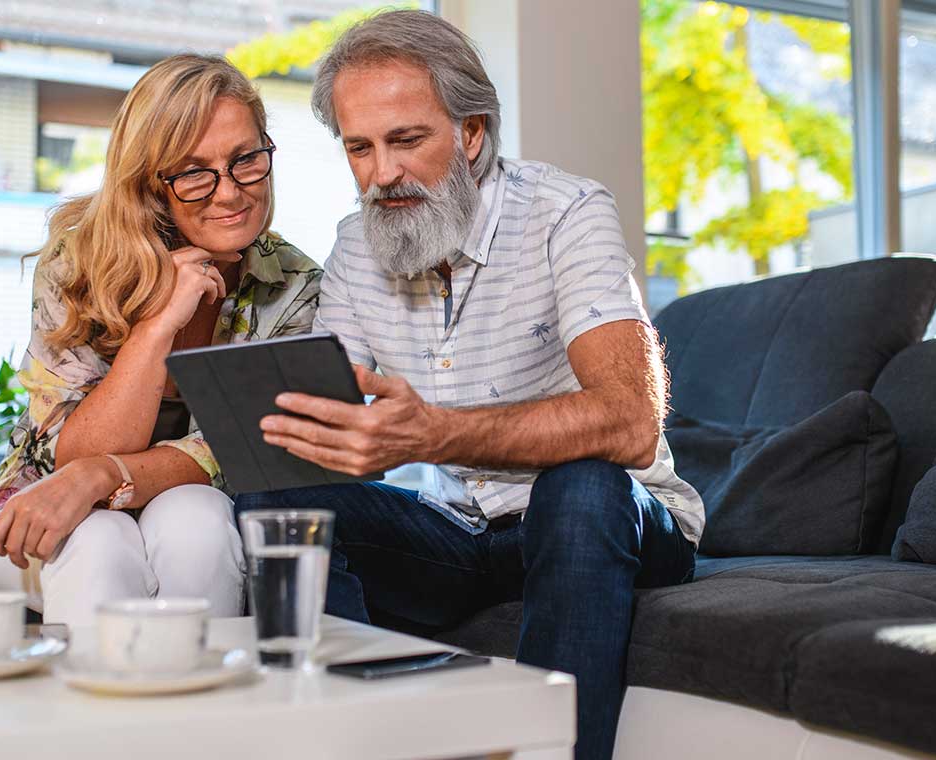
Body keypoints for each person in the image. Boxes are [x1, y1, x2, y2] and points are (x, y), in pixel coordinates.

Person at [234, 11, 704, 760]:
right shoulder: (356, 246)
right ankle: (354, 739)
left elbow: (630, 421)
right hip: (465, 532)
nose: (381, 173)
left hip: (609, 519)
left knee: (579, 485)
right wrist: (321, 432)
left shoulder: (566, 212)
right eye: (359, 147)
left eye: (406, 140)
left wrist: (437, 431)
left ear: (472, 132)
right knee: (277, 496)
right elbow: (344, 417)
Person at [0, 54, 322, 631]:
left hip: (188, 505)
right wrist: (156, 328)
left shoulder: (295, 288)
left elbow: (231, 457)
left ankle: (202, 717)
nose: (230, 192)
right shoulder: (76, 266)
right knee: (100, 539)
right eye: (195, 172)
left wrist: (104, 474)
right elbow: (69, 458)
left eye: (245, 160)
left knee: (198, 520)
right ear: (152, 185)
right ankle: (94, 720)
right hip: (45, 508)